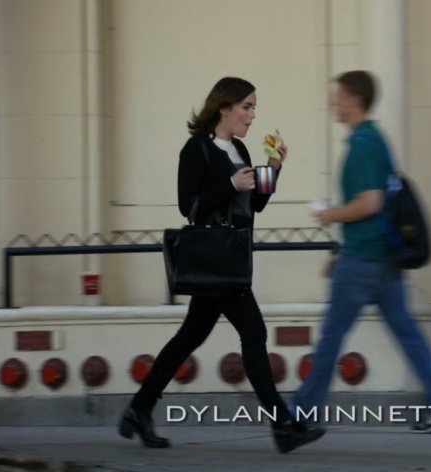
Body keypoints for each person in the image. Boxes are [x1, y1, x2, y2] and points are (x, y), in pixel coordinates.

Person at [118, 77, 324, 453]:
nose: (253, 114)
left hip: (229, 256)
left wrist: (273, 169)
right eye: (247, 106)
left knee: (188, 338)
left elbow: (254, 204)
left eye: (254, 106)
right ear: (225, 108)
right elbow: (188, 205)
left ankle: (138, 409)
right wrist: (229, 184)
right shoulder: (196, 149)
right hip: (217, 257)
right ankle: (283, 427)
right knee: (254, 334)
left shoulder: (241, 149)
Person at [291, 70, 431, 434]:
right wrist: (341, 249)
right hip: (382, 260)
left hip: (363, 261)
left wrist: (331, 214)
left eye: (338, 96)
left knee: (331, 338)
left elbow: (370, 203)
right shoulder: (376, 138)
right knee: (407, 333)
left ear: (354, 99)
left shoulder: (363, 145)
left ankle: (301, 414)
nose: (333, 103)